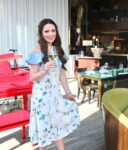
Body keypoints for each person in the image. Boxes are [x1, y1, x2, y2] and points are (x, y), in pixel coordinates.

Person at [26, 18, 80, 150]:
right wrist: (44, 71)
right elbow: (32, 78)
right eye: (46, 31)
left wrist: (67, 92)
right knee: (44, 129)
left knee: (58, 125)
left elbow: (61, 73)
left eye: (53, 30)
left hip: (55, 95)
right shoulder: (37, 51)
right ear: (41, 33)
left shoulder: (58, 49)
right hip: (42, 97)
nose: (50, 34)